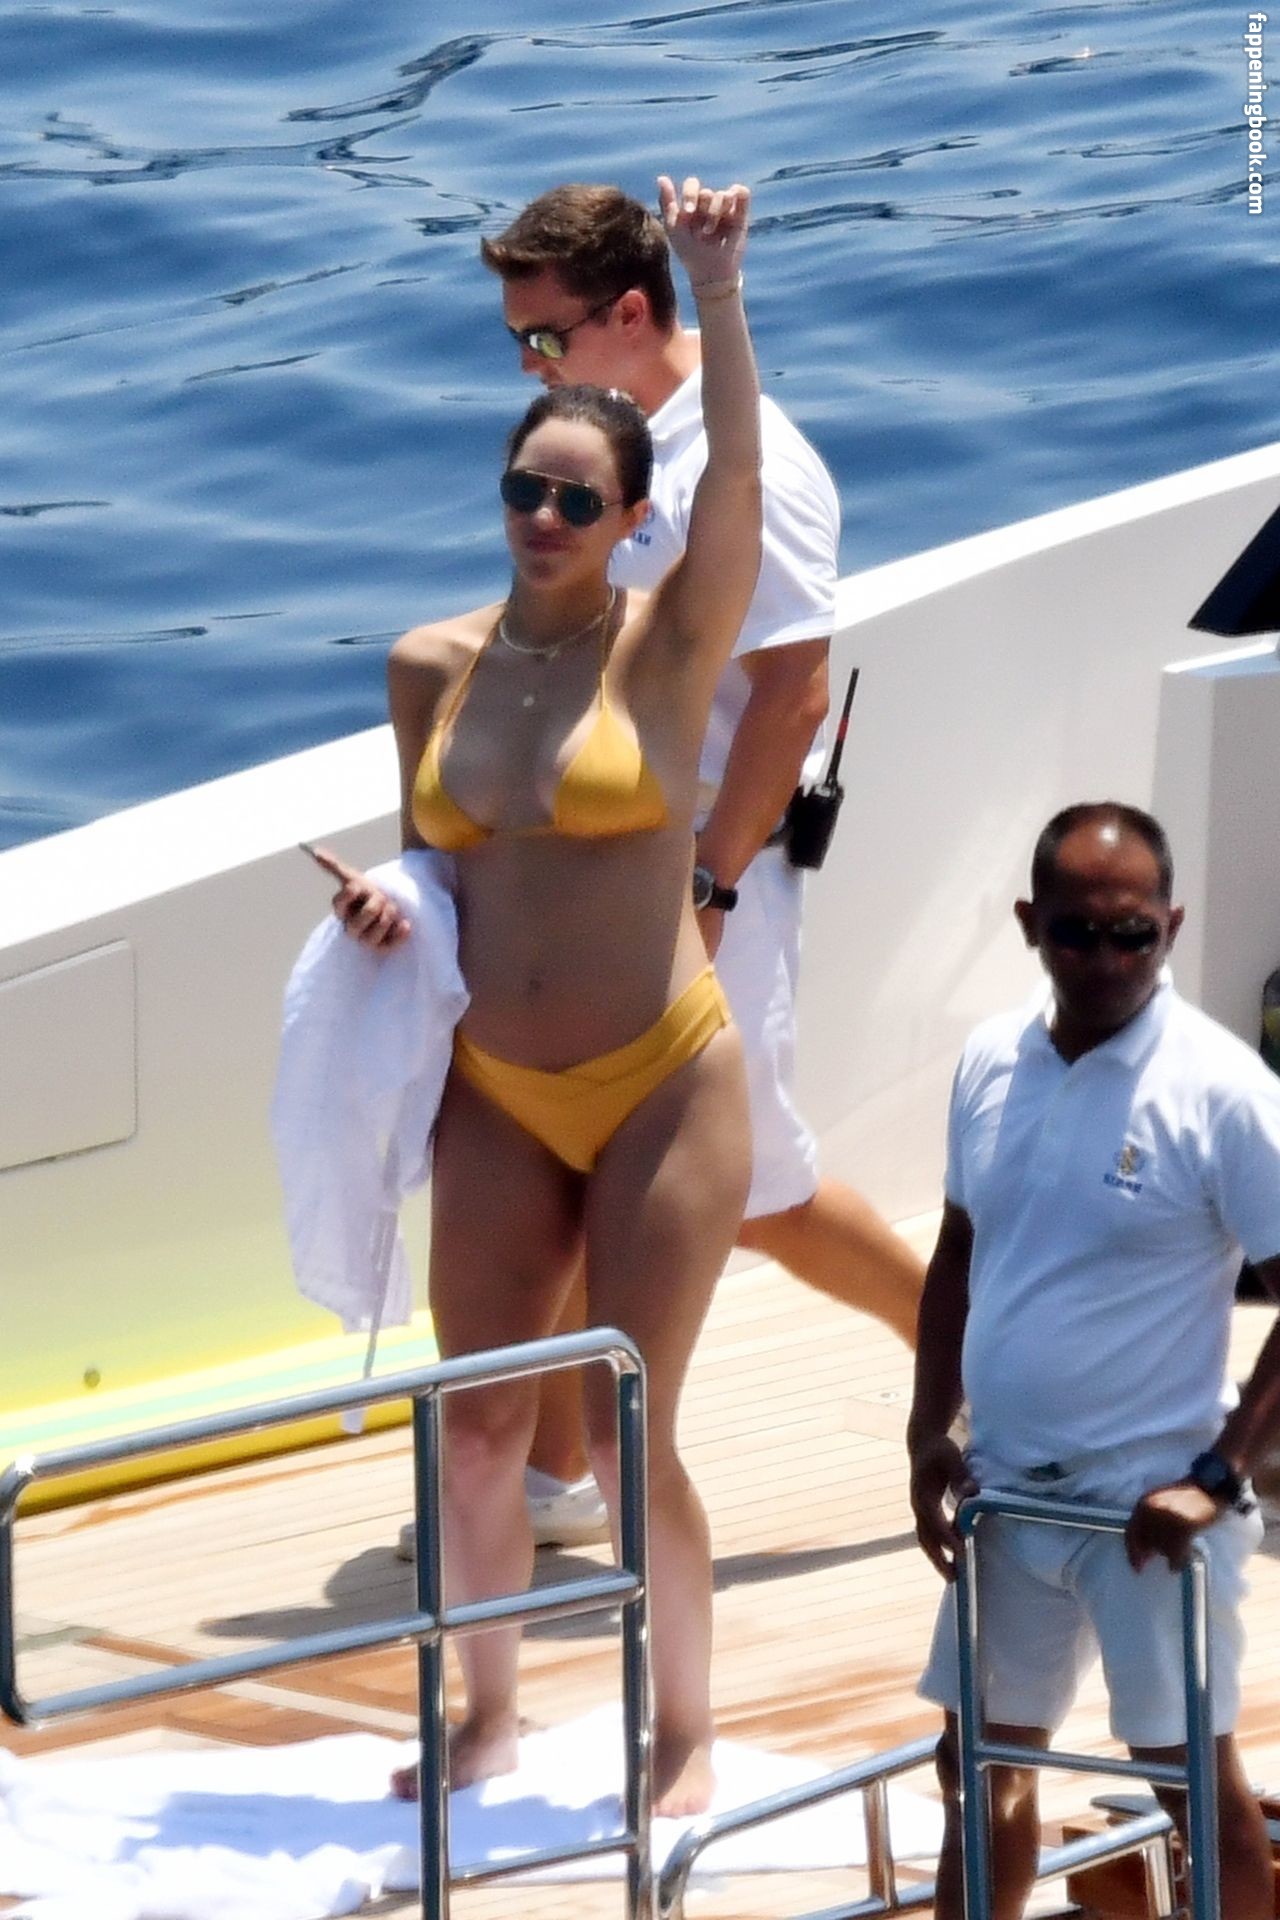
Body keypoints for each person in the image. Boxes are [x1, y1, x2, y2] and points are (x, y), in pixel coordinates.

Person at [321, 175, 759, 1818]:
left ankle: (683, 1732)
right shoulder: (427, 667)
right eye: (527, 489)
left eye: (580, 500)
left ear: (635, 518)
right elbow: (440, 863)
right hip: (496, 1087)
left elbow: (740, 492)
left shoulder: (668, 646)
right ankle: (487, 1718)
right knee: (477, 1433)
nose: (546, 518)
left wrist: (718, 292)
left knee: (636, 1433)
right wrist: (387, 904)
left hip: (661, 1078)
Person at [478, 181, 924, 1537]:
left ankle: (969, 1358)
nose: (528, 366)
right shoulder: (606, 449)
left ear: (629, 313)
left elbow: (791, 696)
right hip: (611, 868)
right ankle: (553, 1473)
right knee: (574, 1142)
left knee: (758, 1187)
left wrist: (712, 885)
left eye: (544, 337)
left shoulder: (748, 465)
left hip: (710, 876)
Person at [907, 802, 1280, 1920]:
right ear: (1031, 925)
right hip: (1006, 1494)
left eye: (1133, 935)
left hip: (1149, 1514)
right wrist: (929, 1428)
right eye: (1077, 932)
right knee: (977, 1776)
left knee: (1193, 1791)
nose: (1106, 958)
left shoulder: (1225, 1091)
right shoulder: (989, 1059)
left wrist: (1214, 1477)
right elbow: (958, 1248)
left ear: (1172, 927)